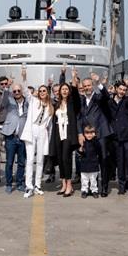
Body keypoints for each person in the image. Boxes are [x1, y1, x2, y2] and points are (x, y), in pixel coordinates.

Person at [76, 73, 114, 197]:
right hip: (87, 136)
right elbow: (79, 118)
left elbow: (107, 97)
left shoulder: (98, 97)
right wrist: (80, 133)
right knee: (88, 161)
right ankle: (89, 187)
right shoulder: (80, 100)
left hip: (101, 133)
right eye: (85, 86)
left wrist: (99, 83)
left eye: (89, 85)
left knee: (103, 160)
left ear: (92, 86)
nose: (87, 88)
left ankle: (104, 187)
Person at [20, 72, 54, 198]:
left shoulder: (50, 106)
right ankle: (28, 186)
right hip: (31, 129)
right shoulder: (33, 101)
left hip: (42, 132)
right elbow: (25, 91)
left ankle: (37, 185)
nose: (42, 92)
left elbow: (49, 125)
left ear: (47, 92)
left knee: (40, 160)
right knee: (30, 160)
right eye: (40, 91)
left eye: (44, 90)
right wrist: (24, 78)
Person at [50, 69, 82, 197]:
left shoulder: (72, 103)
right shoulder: (57, 104)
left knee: (66, 158)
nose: (64, 90)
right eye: (62, 89)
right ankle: (63, 183)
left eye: (66, 89)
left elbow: (75, 93)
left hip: (68, 134)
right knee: (60, 160)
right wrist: (62, 75)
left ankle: (69, 185)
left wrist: (73, 77)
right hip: (58, 134)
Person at [105, 80, 128, 196]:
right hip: (116, 137)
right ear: (116, 89)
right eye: (120, 89)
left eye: (124, 90)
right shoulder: (110, 102)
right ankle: (121, 186)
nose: (122, 92)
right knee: (120, 162)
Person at [0, 81, 29, 194]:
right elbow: (3, 101)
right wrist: (7, 88)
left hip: (22, 137)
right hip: (10, 136)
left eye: (18, 90)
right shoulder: (10, 101)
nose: (16, 92)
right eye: (15, 91)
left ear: (22, 91)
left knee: (22, 162)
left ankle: (20, 183)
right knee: (9, 162)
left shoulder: (27, 102)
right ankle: (8, 184)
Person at [78, 124, 101, 198]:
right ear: (84, 134)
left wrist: (94, 138)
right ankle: (84, 190)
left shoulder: (95, 141)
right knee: (84, 179)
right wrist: (80, 149)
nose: (89, 135)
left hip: (93, 164)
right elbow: (80, 152)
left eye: (91, 133)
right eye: (87, 133)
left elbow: (98, 149)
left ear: (94, 133)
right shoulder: (83, 142)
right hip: (84, 165)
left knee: (93, 179)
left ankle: (94, 190)